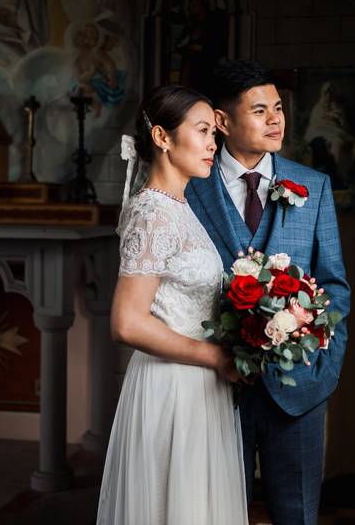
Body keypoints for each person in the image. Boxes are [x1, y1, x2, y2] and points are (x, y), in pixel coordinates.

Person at [186, 60, 351, 525]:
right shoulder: (190, 188)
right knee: (217, 512)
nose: (276, 120)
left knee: (297, 515)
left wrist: (324, 370)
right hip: (215, 389)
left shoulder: (313, 186)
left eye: (278, 108)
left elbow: (334, 284)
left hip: (299, 387)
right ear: (222, 121)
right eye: (260, 111)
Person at [96, 85, 247, 525]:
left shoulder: (179, 207)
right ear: (162, 137)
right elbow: (126, 323)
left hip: (200, 386)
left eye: (213, 134)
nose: (212, 144)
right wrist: (212, 355)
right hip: (173, 387)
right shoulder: (152, 214)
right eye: (201, 131)